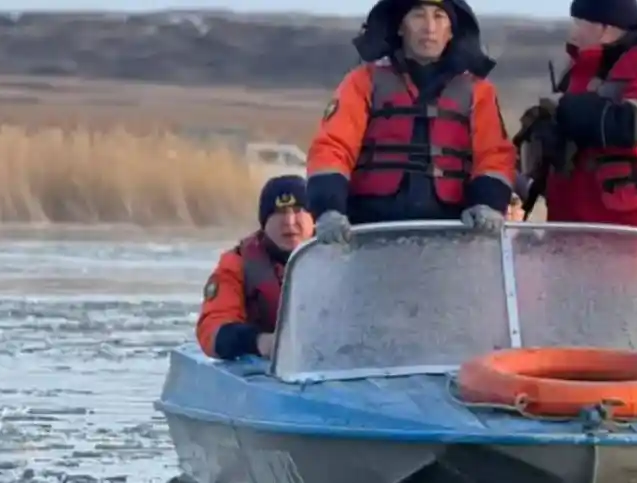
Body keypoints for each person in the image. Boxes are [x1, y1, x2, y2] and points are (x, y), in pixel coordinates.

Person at [306, 0, 517, 244]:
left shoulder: (478, 91)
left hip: (453, 239)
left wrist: (489, 204)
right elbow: (332, 146)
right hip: (369, 236)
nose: (429, 27)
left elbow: (494, 154)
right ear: (400, 26)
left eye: (439, 17)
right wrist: (328, 208)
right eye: (418, 15)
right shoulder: (363, 82)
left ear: (451, 30)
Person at [525, 0, 637, 241]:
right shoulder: (581, 69)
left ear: (606, 28)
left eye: (580, 23)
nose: (573, 32)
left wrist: (568, 109)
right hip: (574, 239)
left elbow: (636, 128)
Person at [195, 175, 315, 360]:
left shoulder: (343, 257)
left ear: (313, 218)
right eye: (278, 213)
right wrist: (259, 342)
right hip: (266, 364)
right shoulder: (237, 264)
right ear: (264, 222)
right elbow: (211, 331)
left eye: (298, 210)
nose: (289, 222)